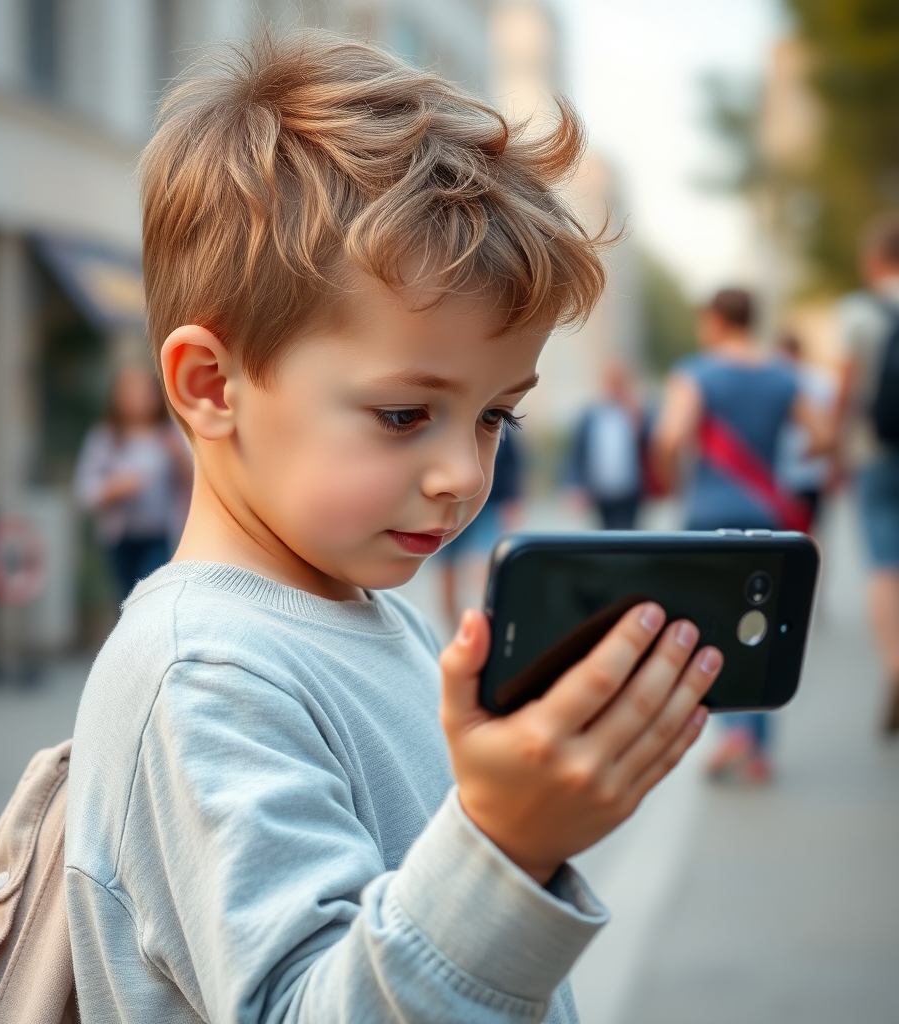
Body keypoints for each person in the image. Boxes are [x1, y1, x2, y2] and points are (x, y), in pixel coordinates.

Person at [65, 34, 724, 1024]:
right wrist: (503, 846)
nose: (465, 472)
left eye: (497, 414)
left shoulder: (358, 613)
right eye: (404, 414)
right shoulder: (204, 674)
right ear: (211, 386)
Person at [651, 288, 830, 784]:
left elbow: (669, 437)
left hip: (708, 516)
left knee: (712, 624)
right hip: (766, 513)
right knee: (761, 623)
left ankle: (736, 732)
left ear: (715, 321)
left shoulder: (696, 372)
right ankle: (757, 743)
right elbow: (823, 437)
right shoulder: (783, 375)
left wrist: (675, 481)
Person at [837, 215, 899, 734]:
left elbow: (846, 389)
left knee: (884, 564)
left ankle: (895, 664)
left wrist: (833, 446)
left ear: (876, 259)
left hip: (877, 455)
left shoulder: (859, 313)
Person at [73, 363, 192, 602]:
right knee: (126, 599)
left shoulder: (170, 434)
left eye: (144, 392)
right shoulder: (106, 439)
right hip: (120, 535)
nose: (138, 399)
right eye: (131, 392)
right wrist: (115, 488)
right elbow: (84, 490)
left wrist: (178, 457)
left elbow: (192, 481)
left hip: (160, 534)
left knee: (150, 594)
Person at [437, 426, 521, 629]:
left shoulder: (503, 427)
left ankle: (493, 621)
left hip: (489, 505)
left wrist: (511, 500)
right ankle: (457, 630)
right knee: (447, 571)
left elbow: (514, 463)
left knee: (483, 564)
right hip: (447, 504)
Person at [566, 357, 646, 529]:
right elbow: (577, 453)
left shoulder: (636, 410)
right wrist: (575, 485)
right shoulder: (592, 415)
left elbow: (649, 444)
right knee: (604, 535)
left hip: (631, 490)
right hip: (600, 491)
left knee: (629, 534)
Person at [775, 332, 838, 532]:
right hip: (811, 472)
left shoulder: (779, 382)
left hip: (787, 473)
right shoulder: (823, 382)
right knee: (808, 534)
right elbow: (833, 428)